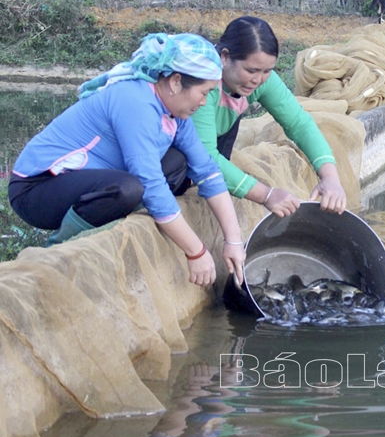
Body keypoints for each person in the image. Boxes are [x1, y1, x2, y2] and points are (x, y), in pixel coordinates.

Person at [8, 33, 246, 287]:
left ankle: (118, 217)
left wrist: (233, 240)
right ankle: (57, 249)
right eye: (204, 92)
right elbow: (150, 182)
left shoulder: (175, 113)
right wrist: (196, 251)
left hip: (94, 182)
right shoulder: (136, 101)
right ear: (176, 81)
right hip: (37, 188)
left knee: (179, 162)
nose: (204, 101)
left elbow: (207, 170)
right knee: (129, 189)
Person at [191, 16, 347, 218]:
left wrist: (330, 177)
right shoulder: (200, 81)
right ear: (224, 57)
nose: (257, 80)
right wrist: (266, 195)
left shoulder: (258, 81)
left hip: (214, 137)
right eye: (251, 70)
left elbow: (298, 123)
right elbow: (205, 158)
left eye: (267, 71)